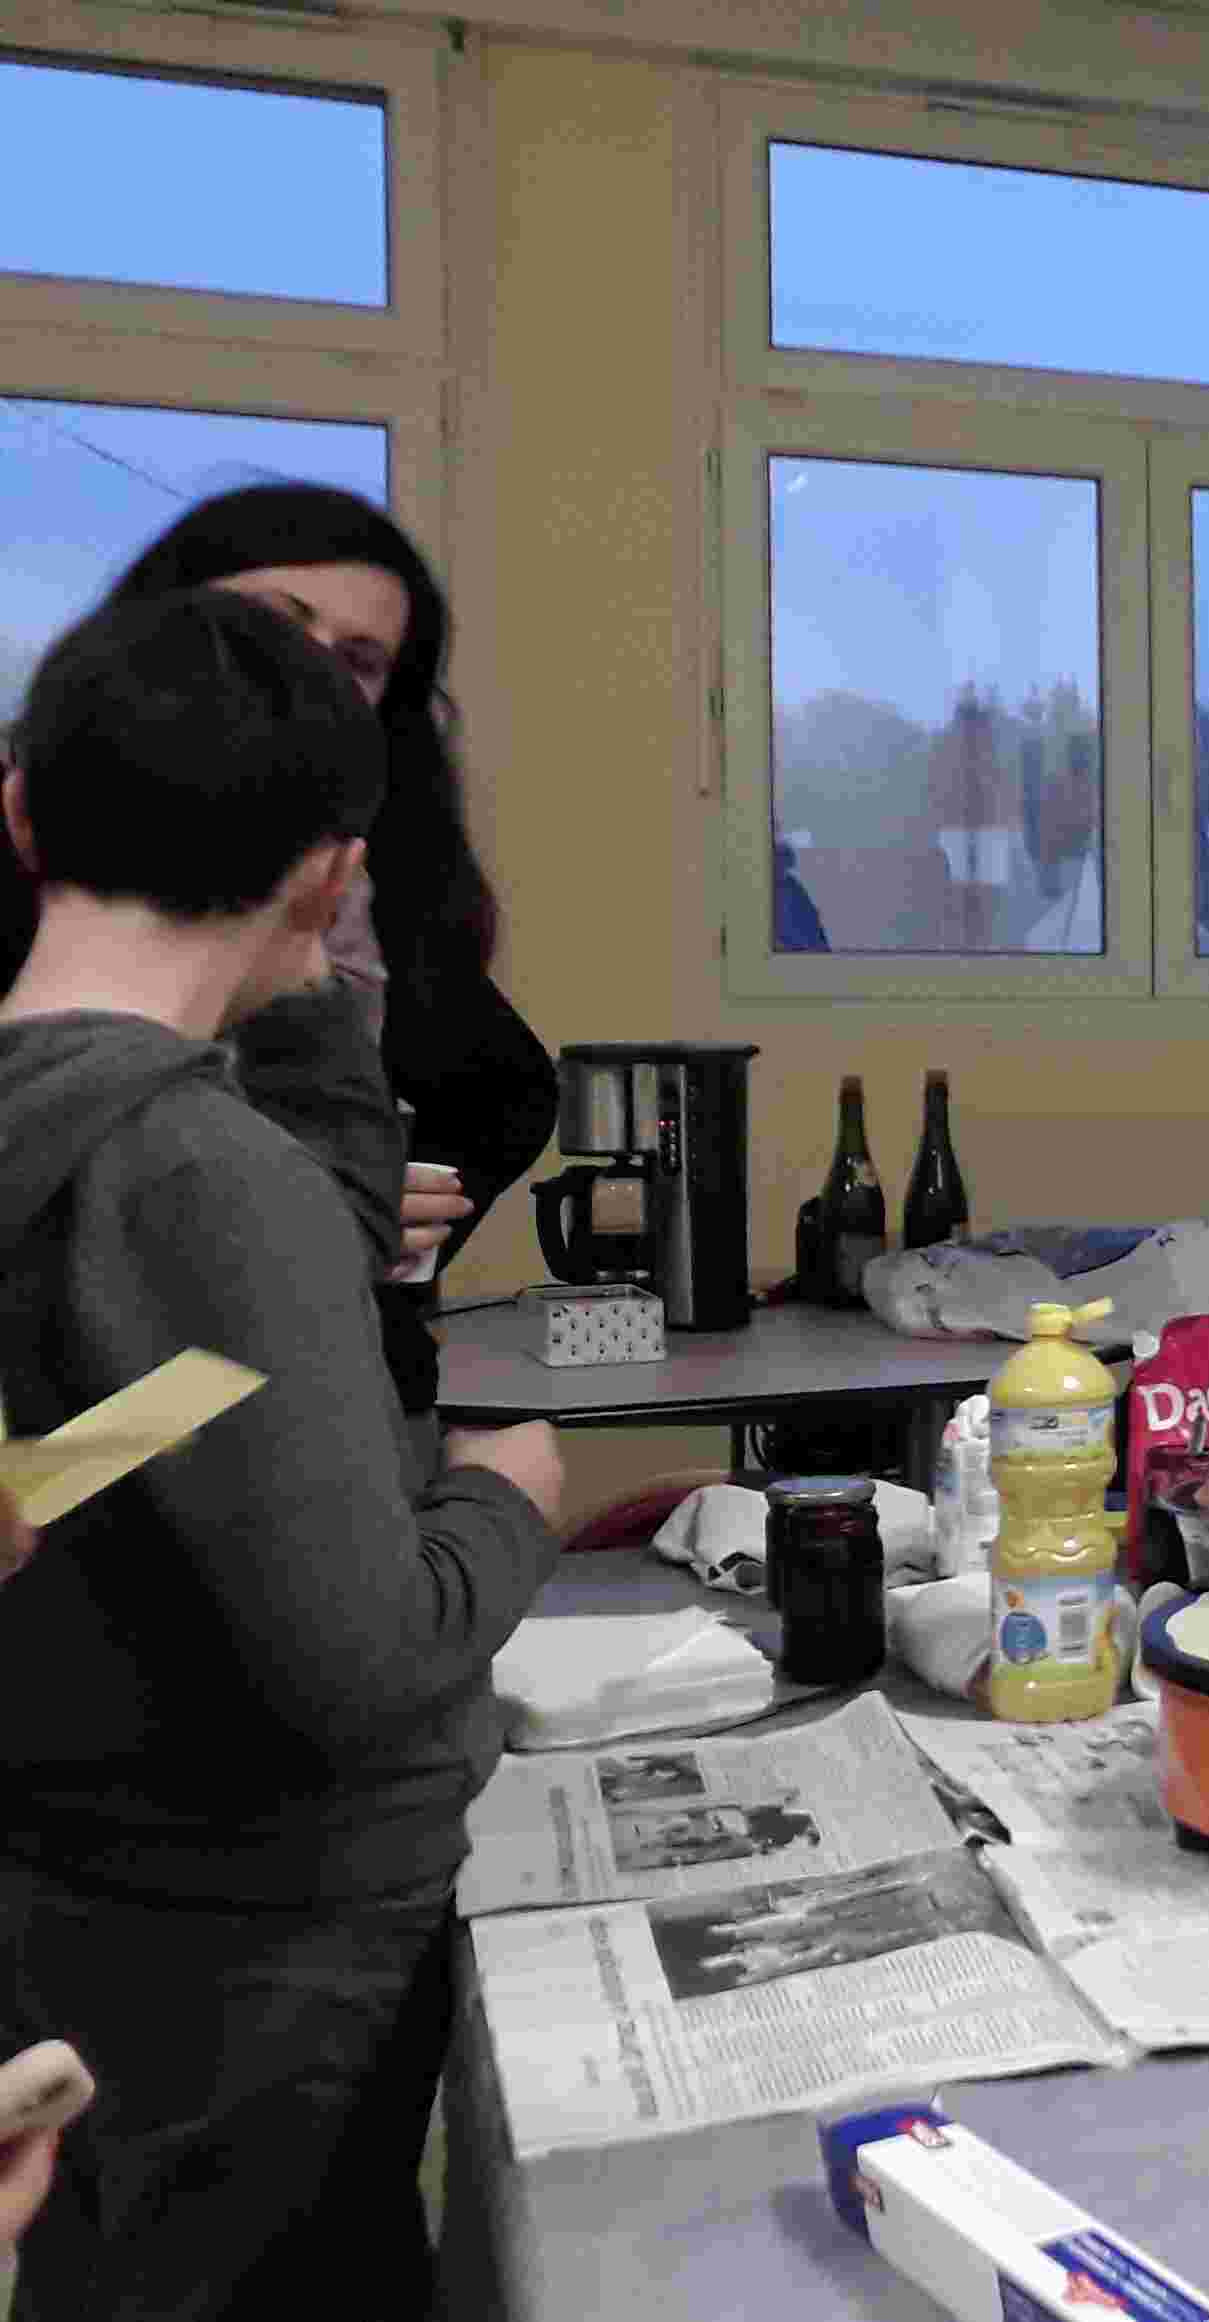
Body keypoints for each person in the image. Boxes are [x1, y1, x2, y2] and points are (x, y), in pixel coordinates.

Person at [0, 587, 567, 2315]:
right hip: (261, 1963)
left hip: (85, 1903)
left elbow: (180, 1390)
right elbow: (365, 1658)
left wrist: (302, 1004)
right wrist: (506, 1502)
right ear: (332, 875)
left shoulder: (83, 1130)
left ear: (20, 813)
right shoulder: (197, 1173)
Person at [0, 485, 560, 1419]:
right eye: (269, 626)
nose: (306, 674)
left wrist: (359, 1222)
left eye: (358, 660)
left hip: (276, 1388)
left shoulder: (372, 889)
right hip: (96, 1411)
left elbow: (501, 1093)